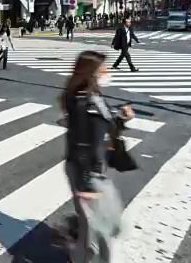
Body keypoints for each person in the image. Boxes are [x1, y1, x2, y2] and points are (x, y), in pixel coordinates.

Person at [61, 50, 133, 263]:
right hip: (85, 172)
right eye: (103, 69)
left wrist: (120, 119)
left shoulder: (95, 97)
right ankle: (77, 249)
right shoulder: (84, 101)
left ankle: (75, 243)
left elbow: (104, 131)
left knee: (105, 226)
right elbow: (82, 144)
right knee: (98, 231)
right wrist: (85, 185)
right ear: (91, 73)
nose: (107, 72)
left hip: (94, 169)